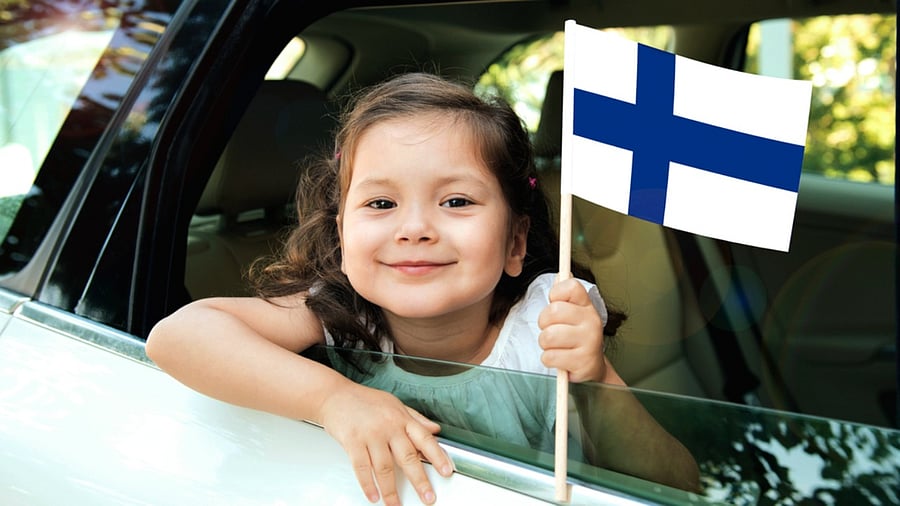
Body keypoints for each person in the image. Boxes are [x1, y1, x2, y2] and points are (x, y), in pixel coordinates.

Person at [146, 72, 699, 506]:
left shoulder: (546, 327)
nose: (413, 228)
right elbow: (177, 335)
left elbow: (677, 484)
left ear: (515, 243)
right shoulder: (340, 314)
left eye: (456, 201)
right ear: (343, 237)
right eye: (381, 204)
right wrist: (335, 399)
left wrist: (594, 377)